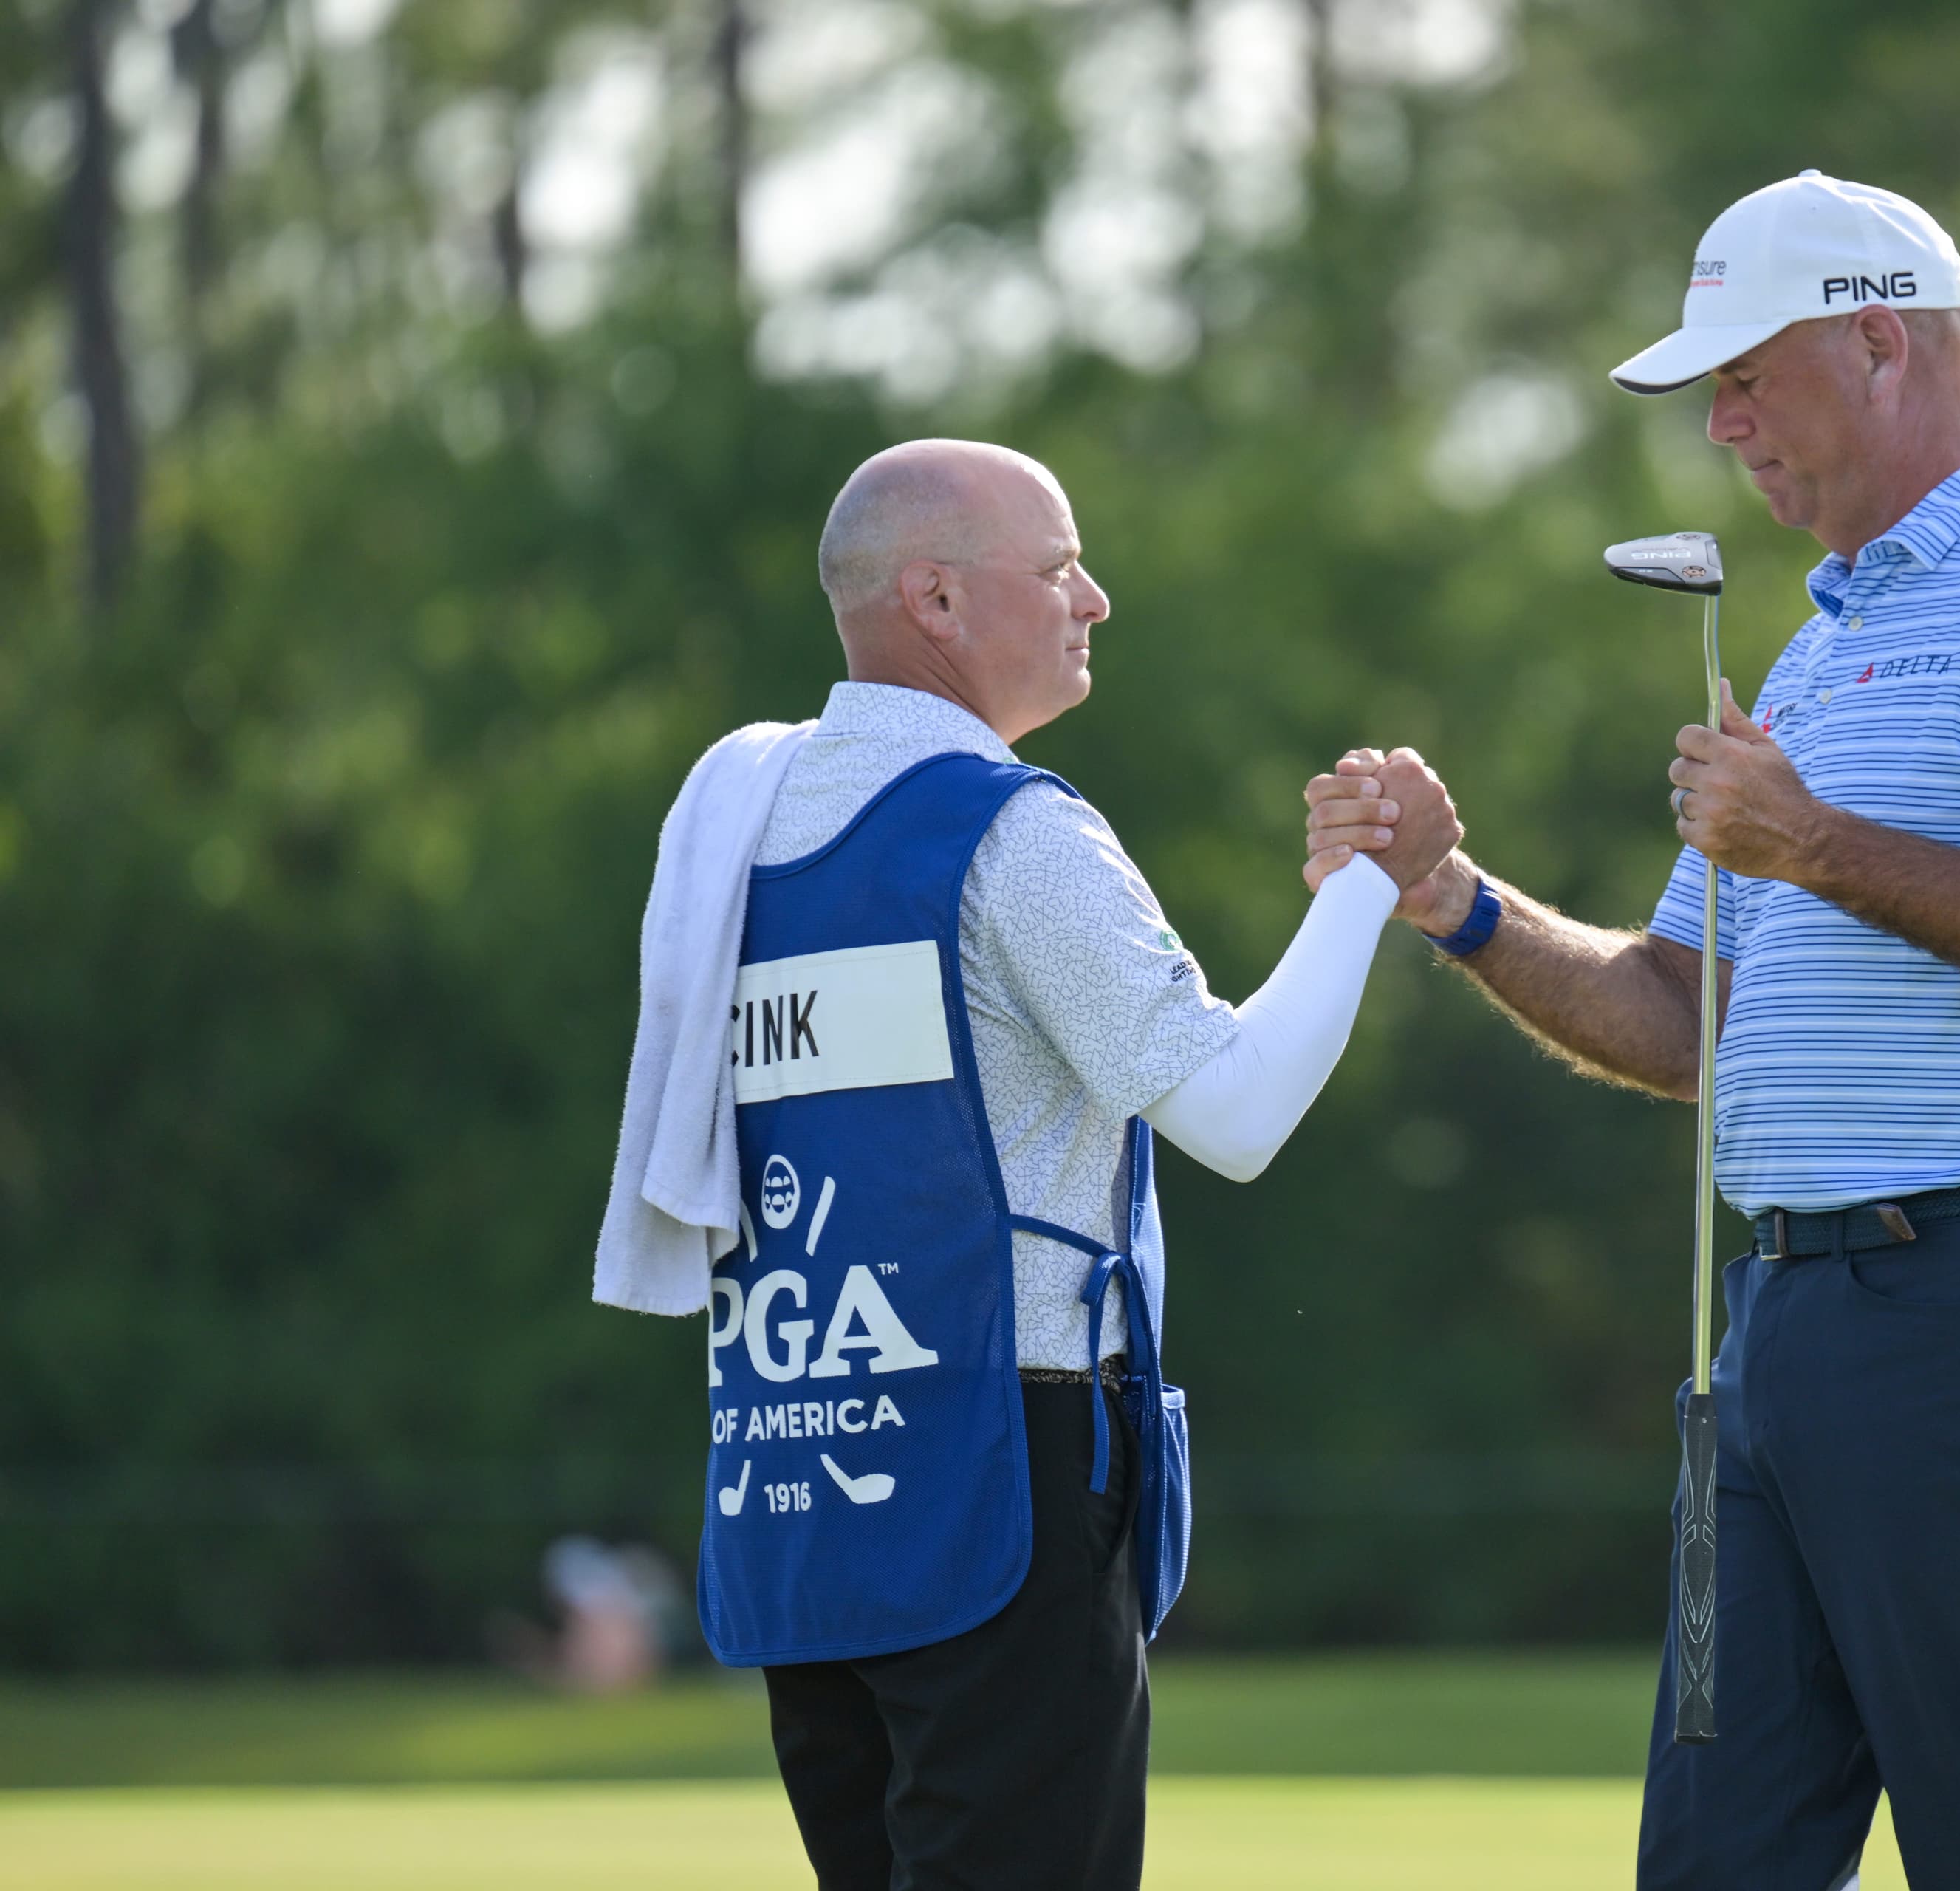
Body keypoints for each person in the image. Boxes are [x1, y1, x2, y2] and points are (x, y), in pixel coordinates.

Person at [1306, 173, 1960, 1891]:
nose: (1722, 424)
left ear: (1882, 343)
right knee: (1714, 1862)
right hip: (1783, 1328)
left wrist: (1813, 844)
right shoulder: (1814, 652)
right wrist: (1459, 900)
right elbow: (1680, 1016)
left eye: (1746, 374)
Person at [594, 440, 1453, 1890]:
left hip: (795, 1478)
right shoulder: (1012, 827)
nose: (1096, 598)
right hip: (996, 1474)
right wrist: (1371, 884)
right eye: (1059, 567)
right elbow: (1233, 1109)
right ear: (936, 597)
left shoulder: (739, 836)